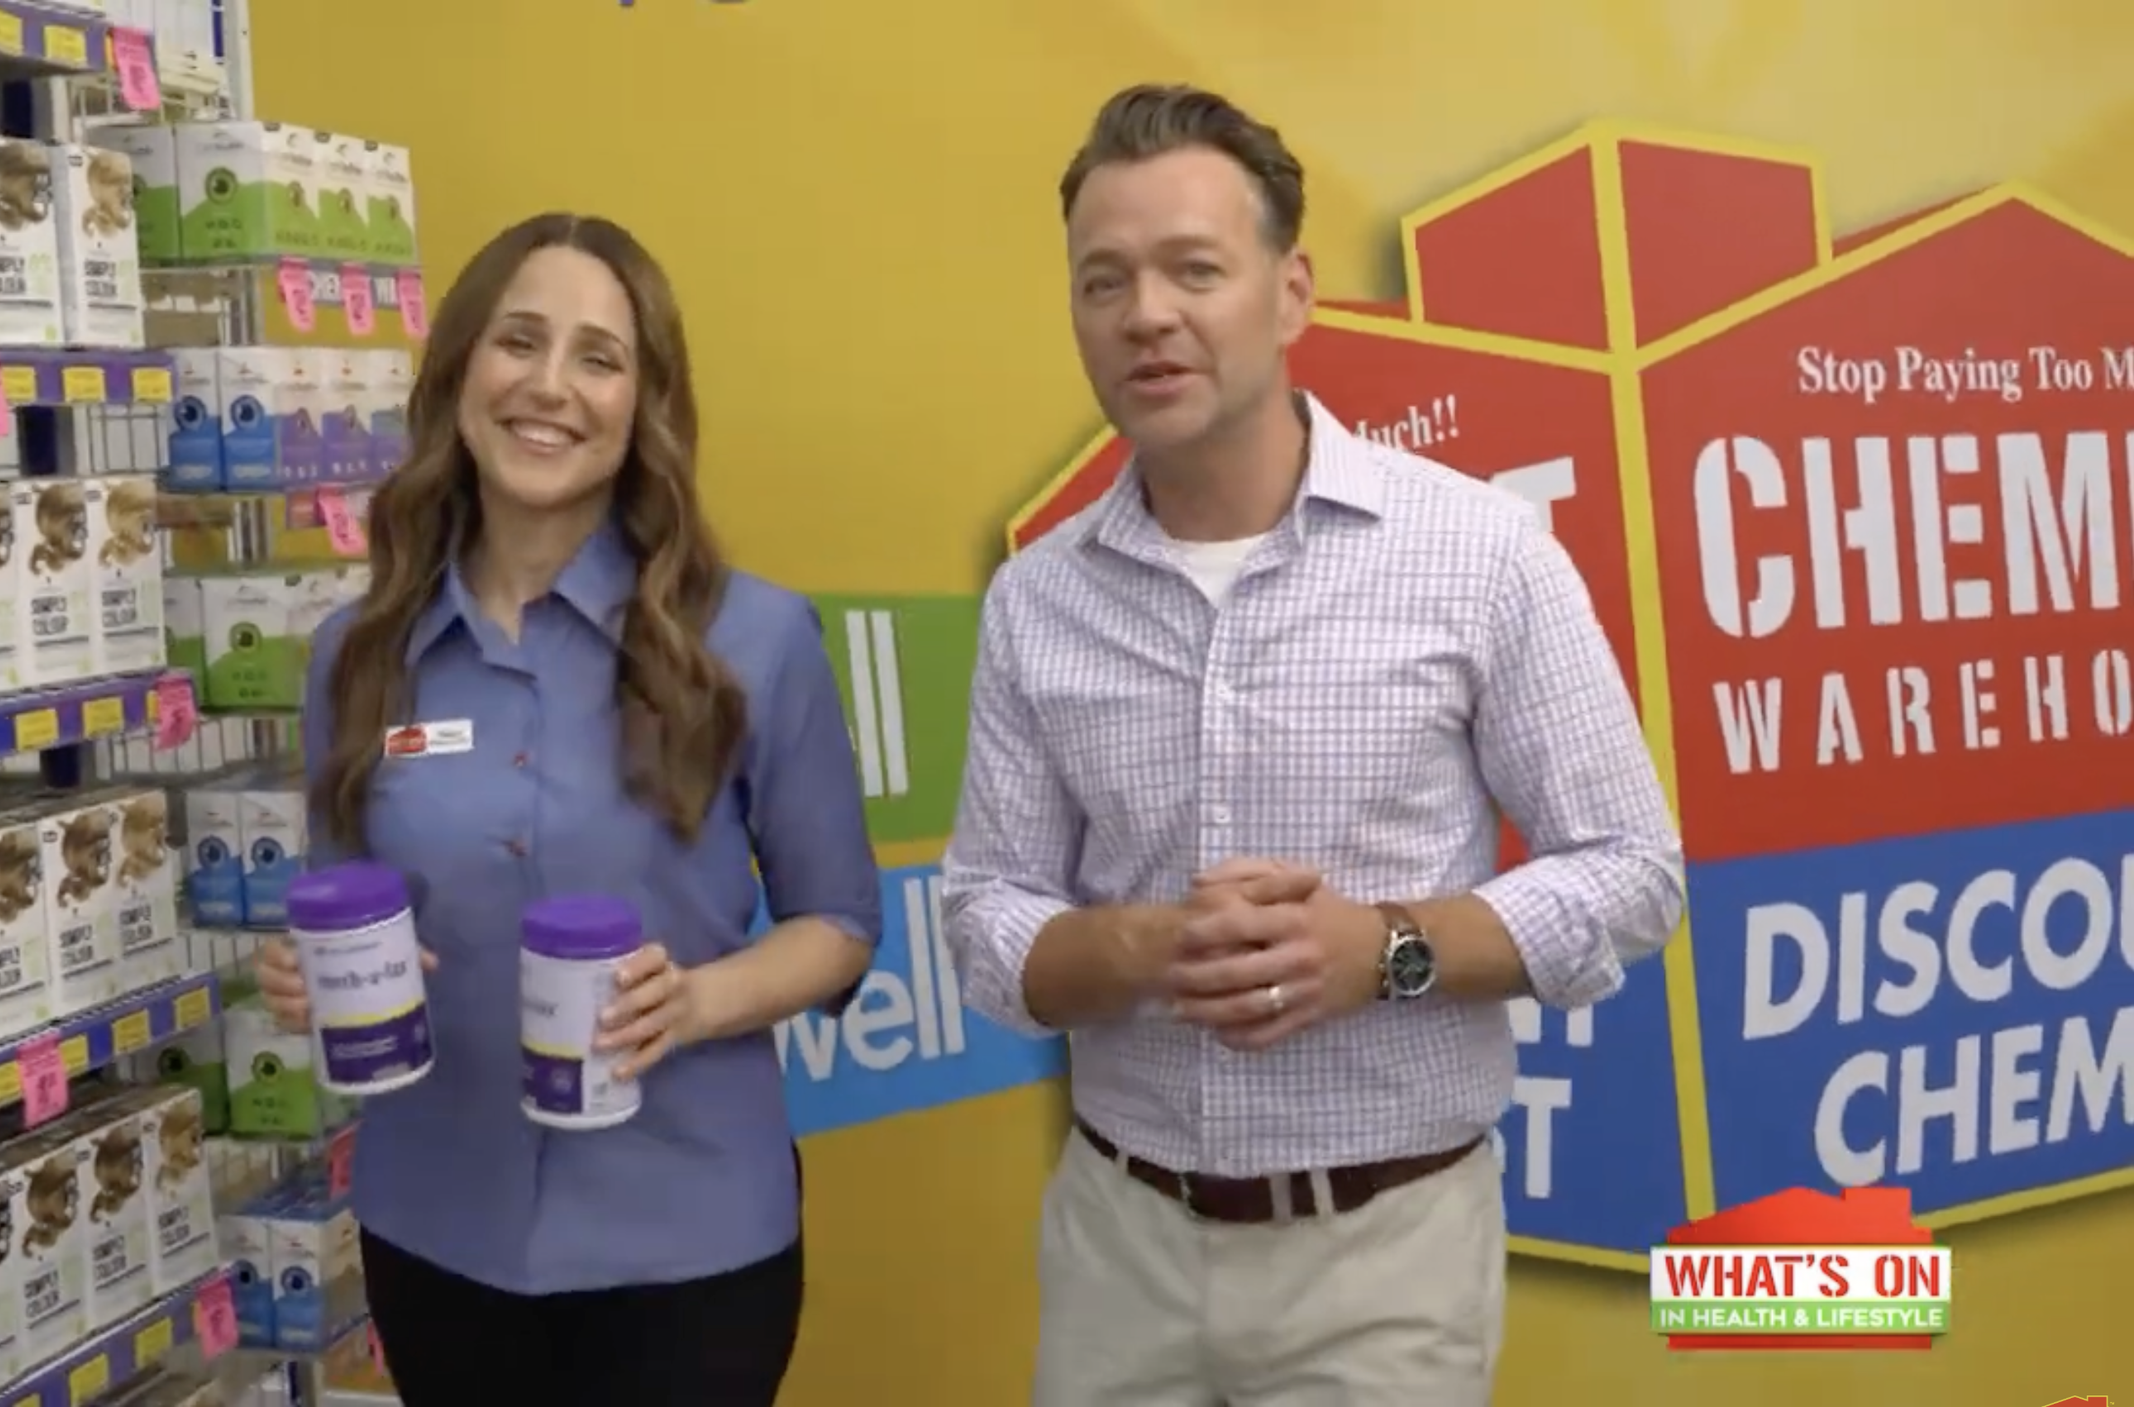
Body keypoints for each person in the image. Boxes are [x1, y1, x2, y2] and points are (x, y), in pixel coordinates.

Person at [940, 85, 1687, 1406]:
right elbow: (985, 908)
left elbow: (1633, 870)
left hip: (1385, 1258)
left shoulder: (1479, 554)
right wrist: (1140, 947)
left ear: (1289, 295)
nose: (1144, 314)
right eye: (1103, 280)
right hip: (1119, 1244)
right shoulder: (1035, 600)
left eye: (1193, 269)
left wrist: (1384, 950)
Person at [255, 213, 883, 1406]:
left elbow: (840, 925)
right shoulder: (357, 652)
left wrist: (695, 1002)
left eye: (598, 358)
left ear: (644, 404)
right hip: (436, 1231)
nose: (549, 387)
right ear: (459, 372)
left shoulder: (752, 640)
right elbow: (344, 901)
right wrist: (307, 973)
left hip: (688, 1245)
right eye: (518, 342)